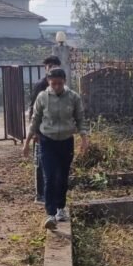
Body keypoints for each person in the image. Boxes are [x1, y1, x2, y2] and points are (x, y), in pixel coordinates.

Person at [22, 68, 89, 229]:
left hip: (66, 141)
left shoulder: (73, 97)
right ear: (48, 82)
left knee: (62, 176)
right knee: (50, 176)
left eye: (60, 83)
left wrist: (84, 139)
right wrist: (27, 142)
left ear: (64, 81)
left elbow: (80, 119)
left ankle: (60, 208)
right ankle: (50, 214)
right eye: (53, 84)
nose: (57, 86)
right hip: (47, 141)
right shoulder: (42, 97)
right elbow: (35, 120)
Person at [27, 55, 62, 203]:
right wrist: (35, 132)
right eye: (49, 66)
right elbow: (33, 109)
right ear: (45, 68)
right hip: (42, 131)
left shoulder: (60, 85)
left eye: (55, 65)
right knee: (41, 162)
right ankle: (40, 194)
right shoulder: (41, 85)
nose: (52, 68)